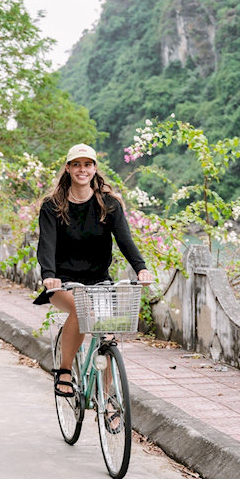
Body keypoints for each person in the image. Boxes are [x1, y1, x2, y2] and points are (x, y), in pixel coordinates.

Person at [34, 143, 154, 415]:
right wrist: (49, 276)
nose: (82, 169)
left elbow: (125, 240)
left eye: (87, 164)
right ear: (68, 168)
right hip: (63, 283)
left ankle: (108, 399)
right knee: (81, 308)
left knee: (107, 337)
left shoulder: (109, 204)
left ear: (94, 168)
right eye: (76, 164)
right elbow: (47, 245)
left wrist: (141, 268)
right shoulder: (52, 206)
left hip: (99, 283)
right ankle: (65, 371)